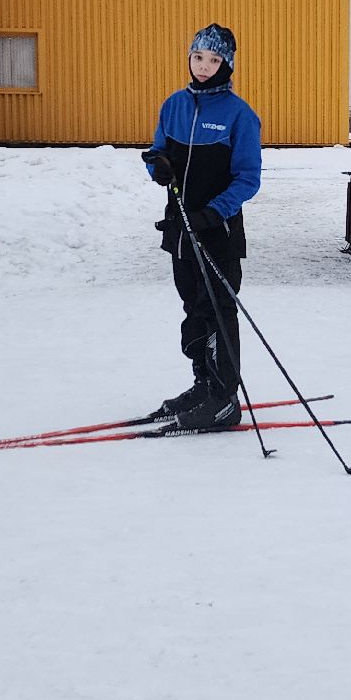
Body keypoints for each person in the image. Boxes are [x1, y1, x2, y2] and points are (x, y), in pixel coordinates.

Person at [142, 23, 262, 430]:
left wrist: (214, 213)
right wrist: (158, 166)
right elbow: (157, 151)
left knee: (218, 312)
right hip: (180, 231)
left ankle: (224, 400)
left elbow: (248, 178)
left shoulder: (239, 115)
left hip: (217, 232)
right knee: (193, 309)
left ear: (227, 64)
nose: (204, 66)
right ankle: (203, 385)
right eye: (198, 57)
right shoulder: (174, 105)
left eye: (213, 59)